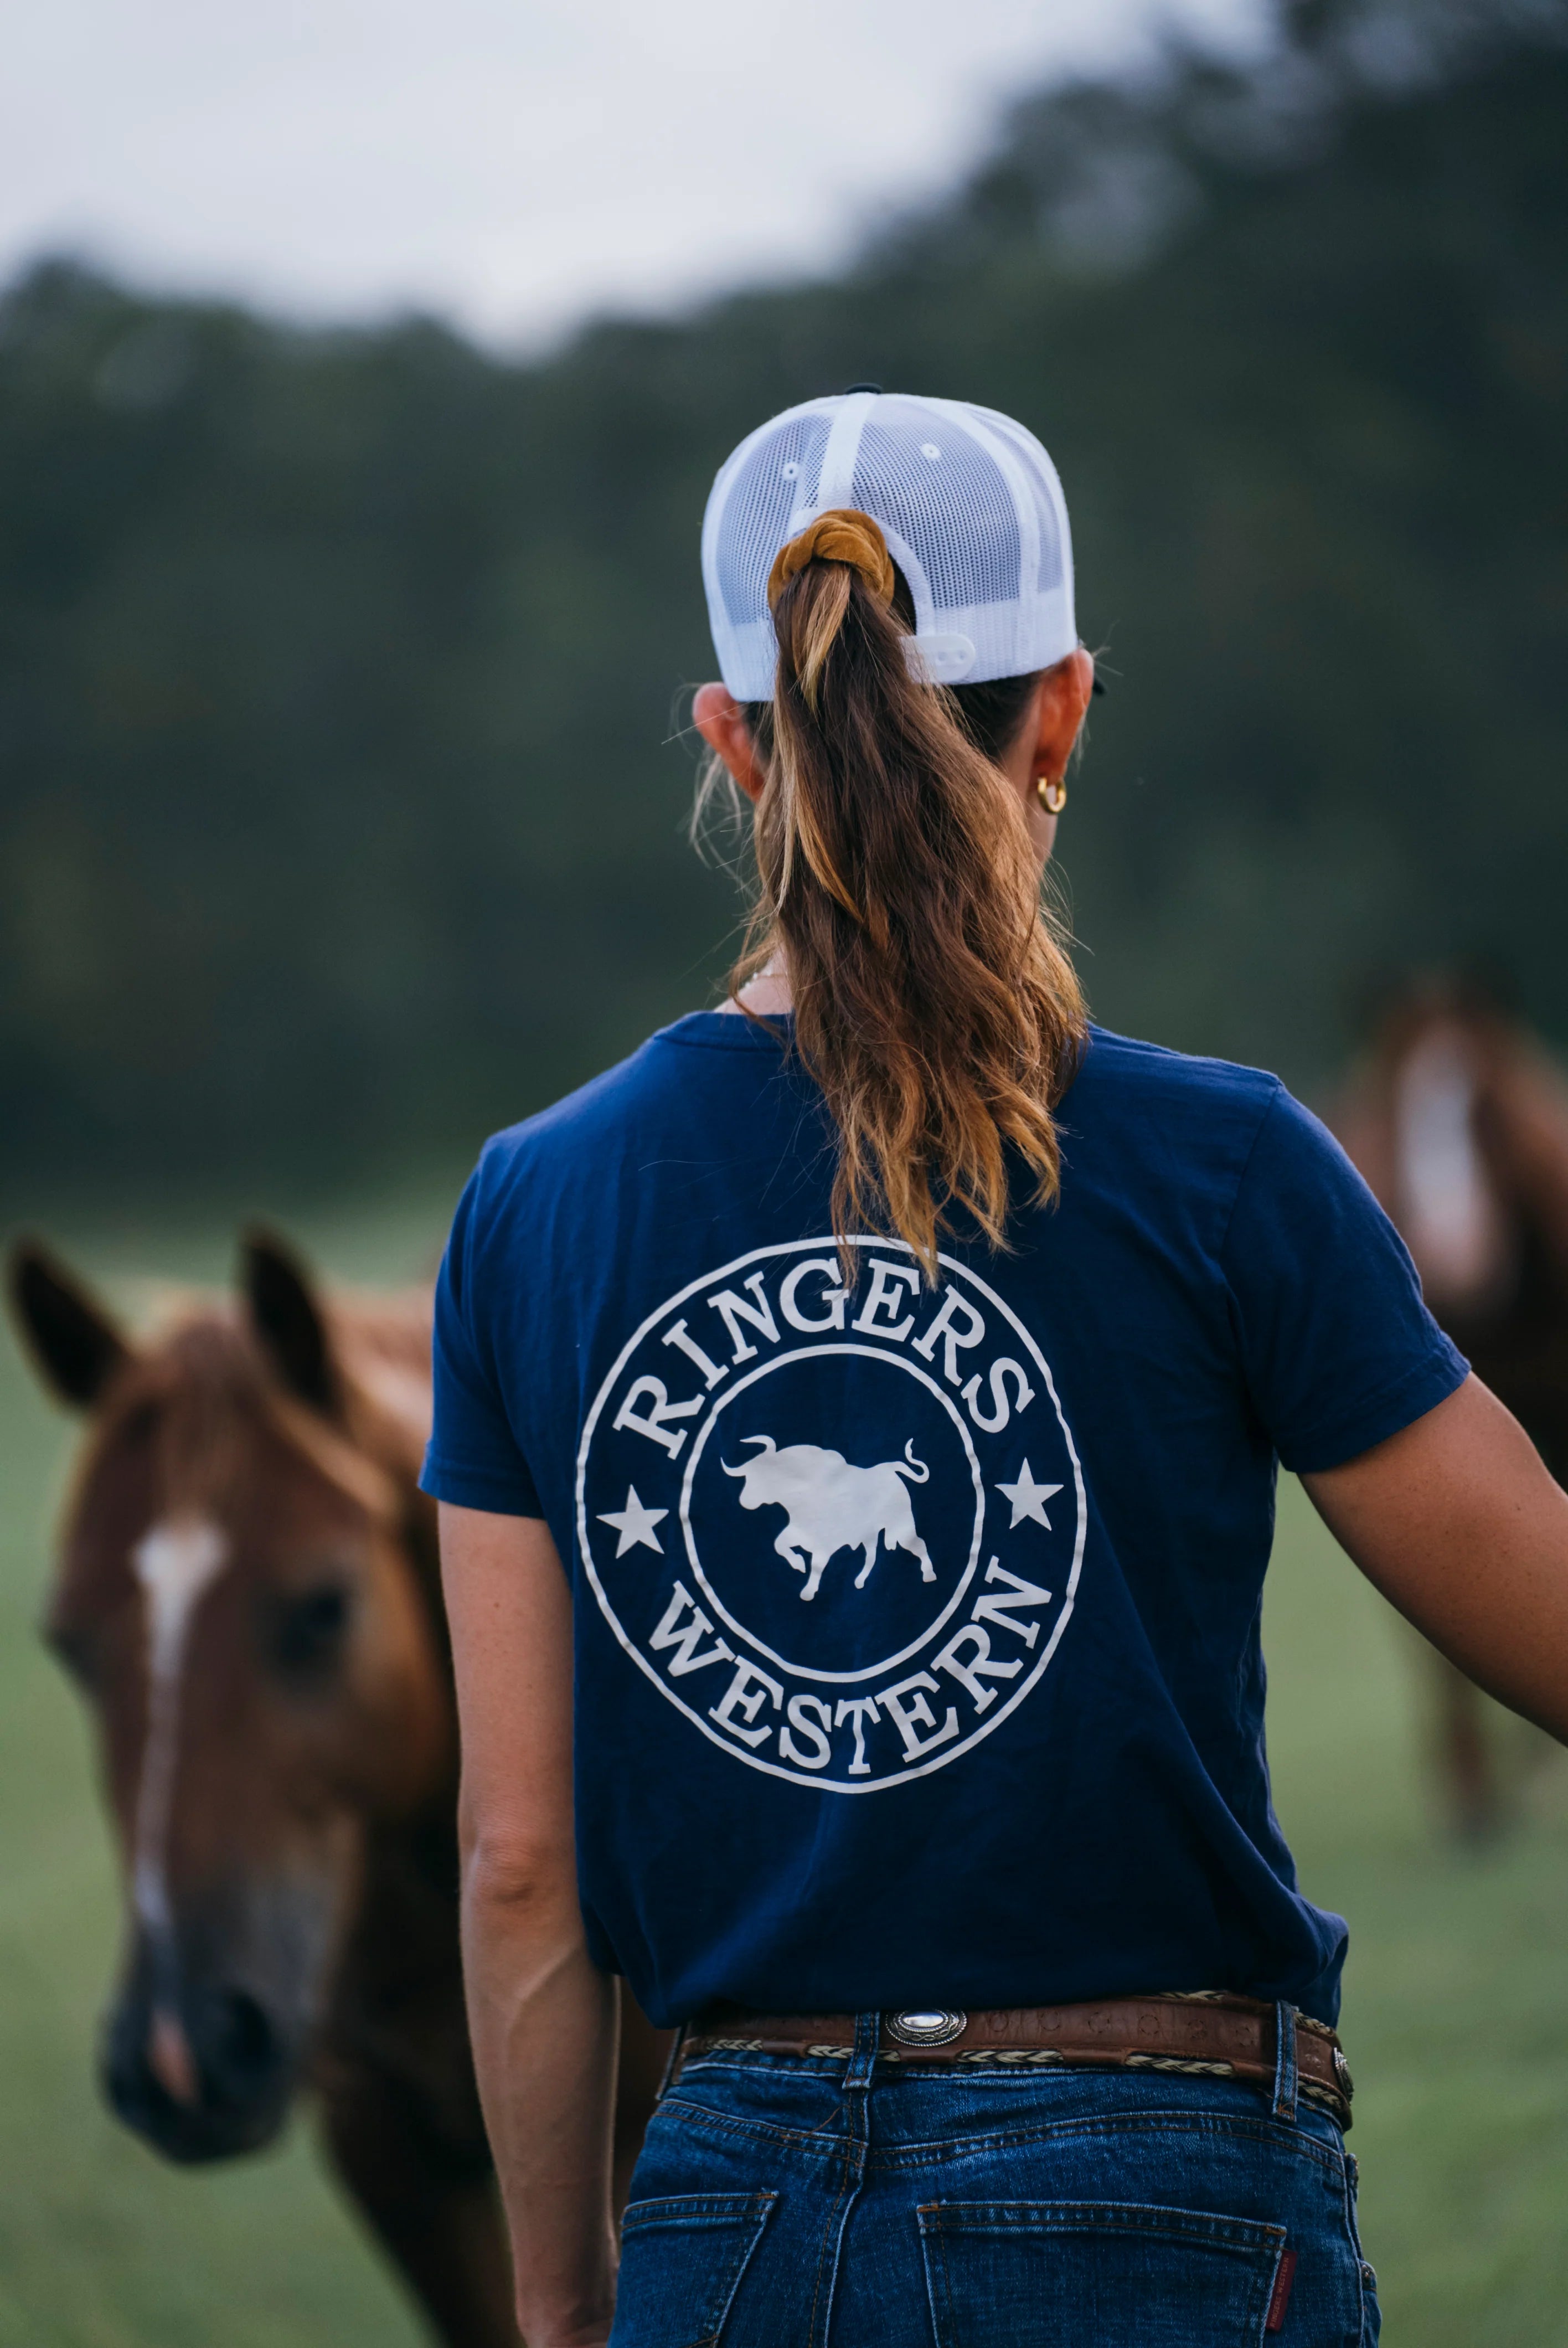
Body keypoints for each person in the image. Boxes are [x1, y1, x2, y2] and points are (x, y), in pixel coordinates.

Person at [424, 390, 1568, 2348]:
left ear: (728, 737)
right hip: (1172, 2203)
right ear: (1068, 712)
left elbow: (523, 1863)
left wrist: (552, 2310)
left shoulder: (530, 1205)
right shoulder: (1228, 1166)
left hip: (729, 2218)